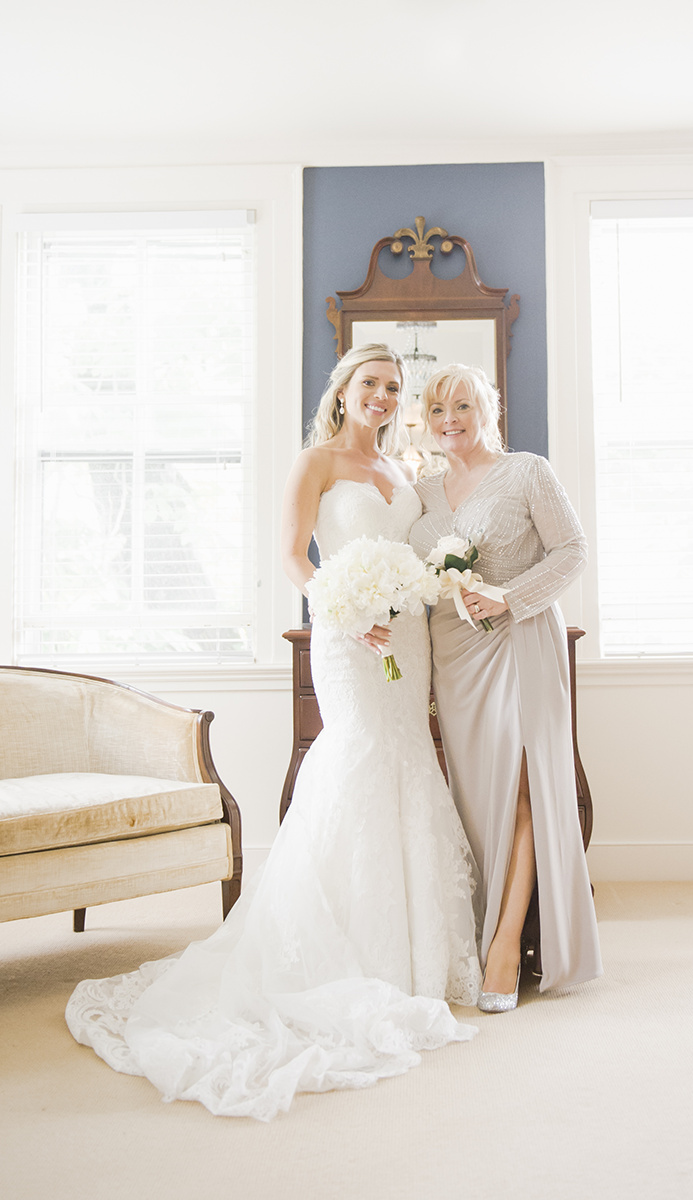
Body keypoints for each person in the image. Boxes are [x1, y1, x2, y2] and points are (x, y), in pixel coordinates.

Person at [66, 345, 481, 1122]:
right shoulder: (315, 462)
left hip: (408, 639)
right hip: (348, 633)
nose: (382, 397)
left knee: (406, 761)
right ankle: (339, 949)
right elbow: (292, 556)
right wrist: (345, 611)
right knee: (357, 757)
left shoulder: (401, 470)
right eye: (370, 384)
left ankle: (416, 957)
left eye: (394, 388)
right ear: (344, 389)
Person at [410, 364, 602, 1010]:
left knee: (524, 791)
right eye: (438, 411)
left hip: (518, 642)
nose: (450, 421)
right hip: (453, 656)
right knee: (476, 798)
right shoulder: (423, 491)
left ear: (487, 408)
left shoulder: (526, 472)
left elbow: (572, 551)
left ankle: (504, 948)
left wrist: (509, 597)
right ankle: (484, 925)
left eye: (463, 406)